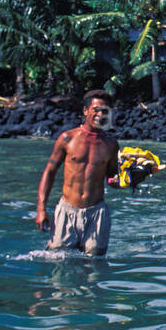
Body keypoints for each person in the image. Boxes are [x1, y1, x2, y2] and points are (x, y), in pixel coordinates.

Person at [35, 90, 151, 256]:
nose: (100, 114)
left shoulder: (111, 145)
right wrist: (41, 209)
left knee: (94, 268)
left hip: (97, 213)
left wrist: (133, 179)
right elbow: (49, 172)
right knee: (58, 264)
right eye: (96, 109)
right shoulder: (67, 138)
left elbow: (112, 180)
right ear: (85, 111)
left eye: (105, 111)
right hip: (67, 210)